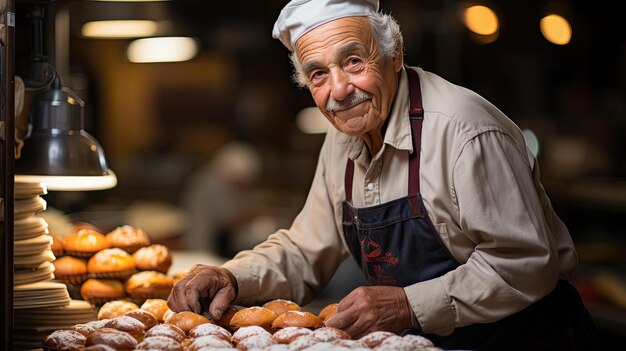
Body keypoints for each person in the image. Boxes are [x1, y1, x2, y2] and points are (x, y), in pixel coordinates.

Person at [168, 1, 598, 349]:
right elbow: (306, 249)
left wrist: (409, 305)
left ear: (394, 55)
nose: (338, 90)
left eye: (353, 61)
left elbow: (525, 263)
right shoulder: (344, 136)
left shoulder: (464, 129)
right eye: (319, 73)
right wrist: (234, 277)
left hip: (528, 340)